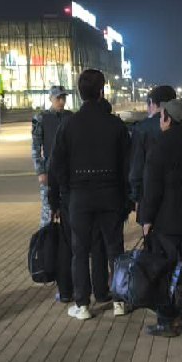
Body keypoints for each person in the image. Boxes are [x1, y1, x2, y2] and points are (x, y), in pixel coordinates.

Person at [49, 69, 131, 320]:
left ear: (79, 92)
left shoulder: (68, 124)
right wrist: (126, 198)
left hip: (79, 195)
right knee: (115, 249)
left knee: (80, 251)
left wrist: (63, 194)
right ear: (101, 91)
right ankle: (119, 301)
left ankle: (83, 304)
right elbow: (127, 165)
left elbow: (56, 165)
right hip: (110, 193)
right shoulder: (115, 124)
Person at [139, 98, 182, 337]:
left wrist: (147, 219)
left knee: (164, 270)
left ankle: (167, 320)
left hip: (166, 220)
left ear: (168, 119)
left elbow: (152, 187)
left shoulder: (160, 144)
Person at [129, 85, 177, 221]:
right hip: (180, 196)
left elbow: (137, 167)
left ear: (152, 103)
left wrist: (136, 196)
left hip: (149, 194)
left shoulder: (142, 129)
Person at [31, 85, 72, 227]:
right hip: (50, 169)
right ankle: (46, 238)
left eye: (63, 98)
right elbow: (36, 147)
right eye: (58, 98)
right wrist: (41, 171)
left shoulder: (71, 117)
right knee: (48, 211)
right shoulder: (41, 118)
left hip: (68, 171)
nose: (61, 101)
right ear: (51, 99)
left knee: (69, 212)